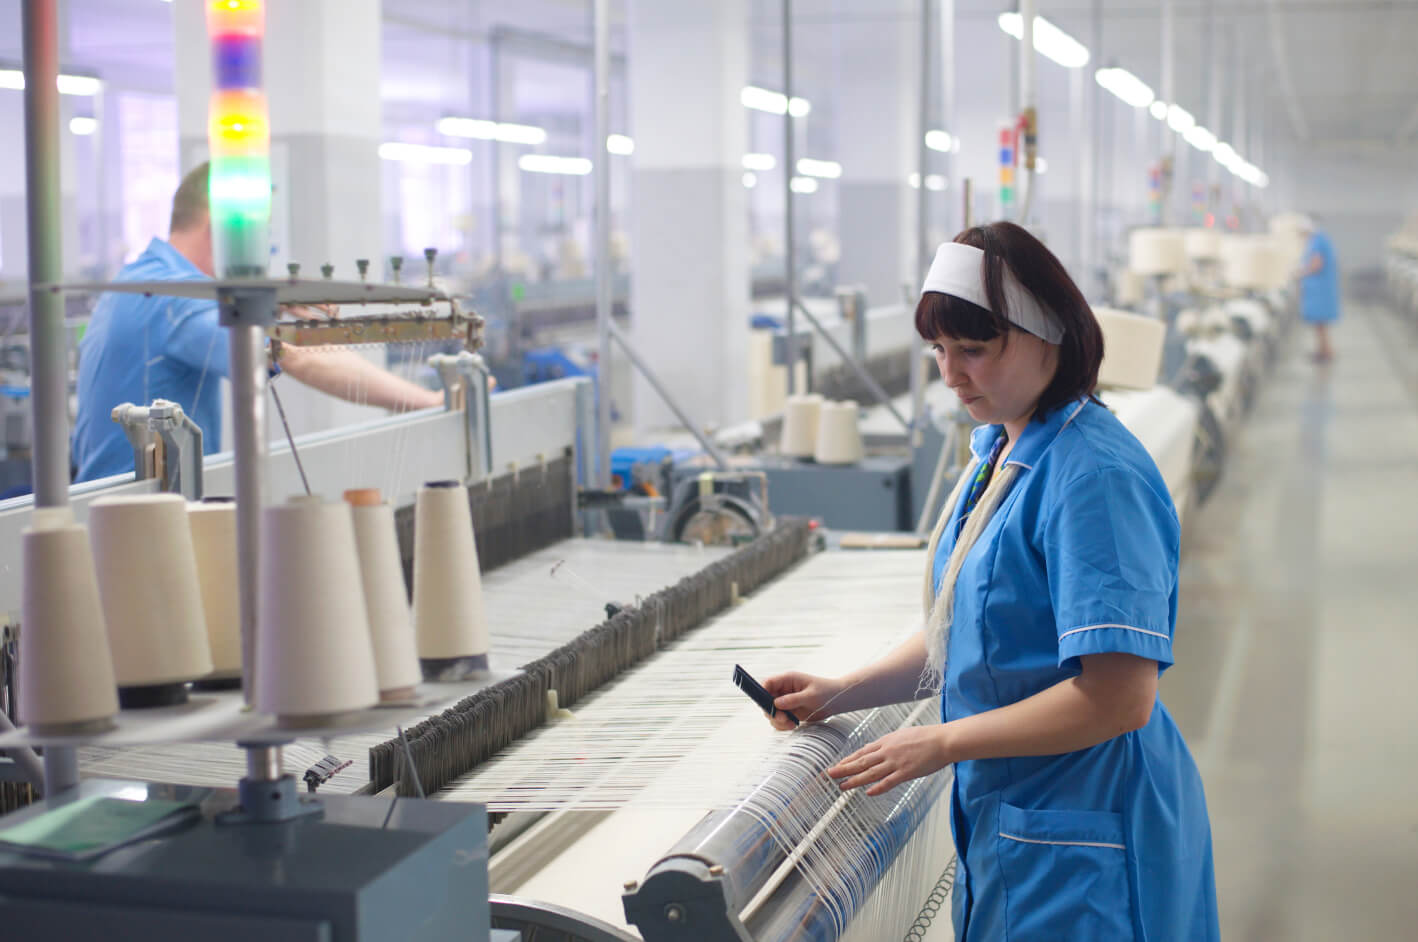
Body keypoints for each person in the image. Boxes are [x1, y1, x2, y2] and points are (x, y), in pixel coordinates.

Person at [765, 222, 1219, 940]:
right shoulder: (1003, 453)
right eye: (939, 350)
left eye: (974, 349)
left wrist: (943, 743)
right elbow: (967, 628)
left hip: (1091, 829)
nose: (951, 374)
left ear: (1050, 338)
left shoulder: (1093, 479)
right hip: (1023, 822)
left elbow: (1120, 697)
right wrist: (841, 692)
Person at [73, 162, 444, 482]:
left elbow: (208, 310)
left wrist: (270, 299)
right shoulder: (178, 299)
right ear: (219, 230)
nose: (262, 252)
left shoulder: (140, 279)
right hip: (145, 520)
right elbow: (296, 355)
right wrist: (429, 401)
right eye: (255, 237)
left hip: (116, 510)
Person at [1298, 216, 1340, 362]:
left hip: (1320, 290)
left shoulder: (1317, 242)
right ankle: (1322, 351)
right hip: (1320, 288)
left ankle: (1326, 352)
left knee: (1320, 324)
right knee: (1320, 325)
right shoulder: (1320, 240)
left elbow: (1316, 264)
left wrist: (1301, 272)